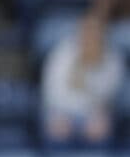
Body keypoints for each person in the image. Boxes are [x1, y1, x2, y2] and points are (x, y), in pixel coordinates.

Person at [40, 12, 124, 145]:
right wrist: (78, 69)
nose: (91, 36)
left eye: (95, 32)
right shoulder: (63, 52)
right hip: (61, 110)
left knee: (99, 128)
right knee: (58, 128)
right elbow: (52, 92)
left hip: (94, 113)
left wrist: (89, 75)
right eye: (87, 31)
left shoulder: (112, 58)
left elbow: (109, 95)